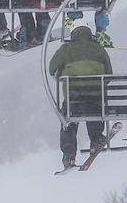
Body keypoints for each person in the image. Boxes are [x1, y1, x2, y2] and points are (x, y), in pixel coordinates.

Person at [48, 24, 113, 169]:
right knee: (96, 108)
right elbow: (109, 74)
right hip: (96, 100)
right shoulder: (99, 48)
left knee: (68, 120)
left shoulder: (66, 49)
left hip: (74, 99)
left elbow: (52, 69)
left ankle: (69, 154)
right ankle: (96, 139)